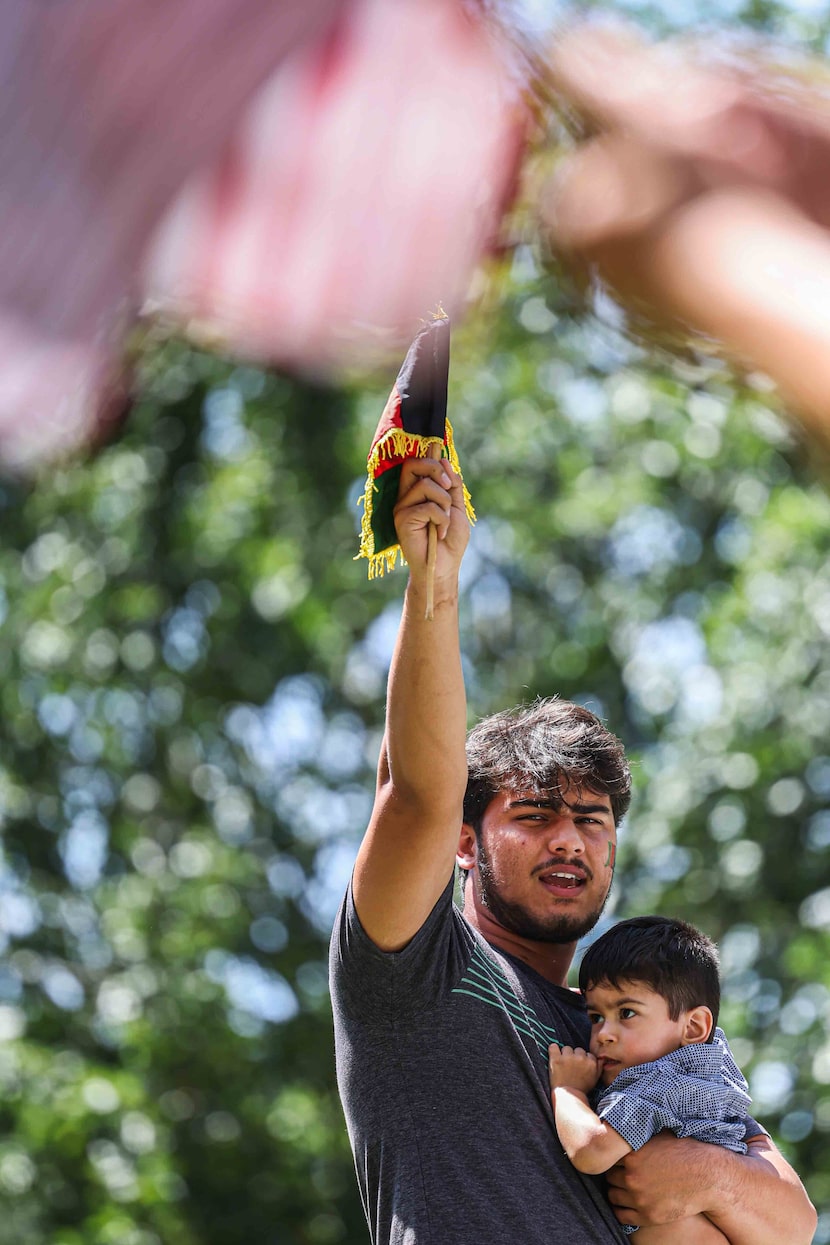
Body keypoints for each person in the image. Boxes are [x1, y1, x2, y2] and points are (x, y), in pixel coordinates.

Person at [328, 456, 817, 1244]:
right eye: (535, 814)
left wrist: (702, 1174)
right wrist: (434, 581)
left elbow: (792, 1220)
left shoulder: (636, 1015)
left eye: (593, 819)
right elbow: (415, 790)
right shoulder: (413, 963)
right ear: (465, 838)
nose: (570, 838)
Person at [550, 916, 757, 1243]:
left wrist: (569, 1088)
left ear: (692, 1028)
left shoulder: (662, 1082)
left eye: (627, 1013)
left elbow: (591, 1151)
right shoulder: (711, 1073)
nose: (604, 1034)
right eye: (595, 1017)